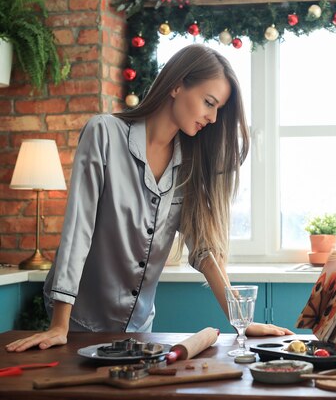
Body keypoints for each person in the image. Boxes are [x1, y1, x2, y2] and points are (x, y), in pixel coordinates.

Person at [6, 44, 293, 352]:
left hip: (139, 330)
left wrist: (242, 322)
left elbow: (205, 251)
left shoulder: (189, 165)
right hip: (79, 323)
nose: (211, 117)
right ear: (177, 85)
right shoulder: (104, 134)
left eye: (217, 110)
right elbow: (78, 231)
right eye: (208, 103)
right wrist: (59, 326)